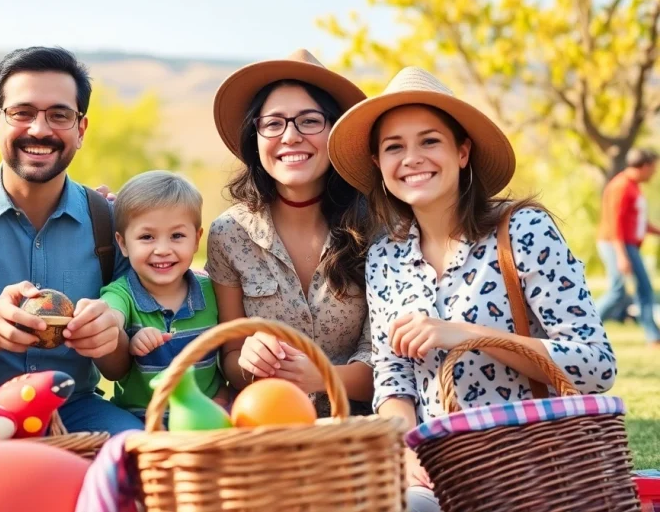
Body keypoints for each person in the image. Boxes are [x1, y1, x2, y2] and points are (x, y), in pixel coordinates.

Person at [327, 66, 617, 512]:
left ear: (462, 152)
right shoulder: (385, 256)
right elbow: (393, 377)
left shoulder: (521, 230)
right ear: (378, 164)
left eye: (429, 141)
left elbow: (594, 367)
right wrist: (404, 449)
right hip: (436, 472)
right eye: (393, 147)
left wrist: (465, 333)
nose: (411, 158)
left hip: (534, 468)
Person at [0, 46, 143, 434]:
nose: (39, 129)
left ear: (80, 130)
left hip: (78, 410)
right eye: (22, 113)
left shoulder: (109, 224)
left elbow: (119, 369)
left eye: (59, 115)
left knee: (139, 454)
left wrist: (110, 337)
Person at [205, 49, 375, 418]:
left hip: (361, 430)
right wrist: (249, 360)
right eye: (274, 123)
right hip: (269, 426)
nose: (291, 136)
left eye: (309, 121)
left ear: (336, 131)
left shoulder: (377, 228)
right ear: (256, 136)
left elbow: (391, 365)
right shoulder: (229, 233)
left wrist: (321, 376)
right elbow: (230, 360)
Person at [98, 170, 227, 421]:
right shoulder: (121, 293)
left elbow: (230, 352)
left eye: (177, 236)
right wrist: (125, 336)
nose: (163, 250)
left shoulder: (212, 291)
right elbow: (109, 313)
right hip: (142, 424)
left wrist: (222, 402)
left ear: (196, 240)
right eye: (147, 237)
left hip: (204, 423)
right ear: (123, 244)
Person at [596, 148, 660, 345]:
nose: (655, 172)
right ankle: (584, 325)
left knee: (643, 289)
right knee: (619, 291)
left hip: (627, 245)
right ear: (645, 166)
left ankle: (654, 337)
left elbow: (638, 221)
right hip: (616, 244)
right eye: (654, 168)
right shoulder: (621, 186)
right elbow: (614, 223)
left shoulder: (634, 186)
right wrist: (621, 255)